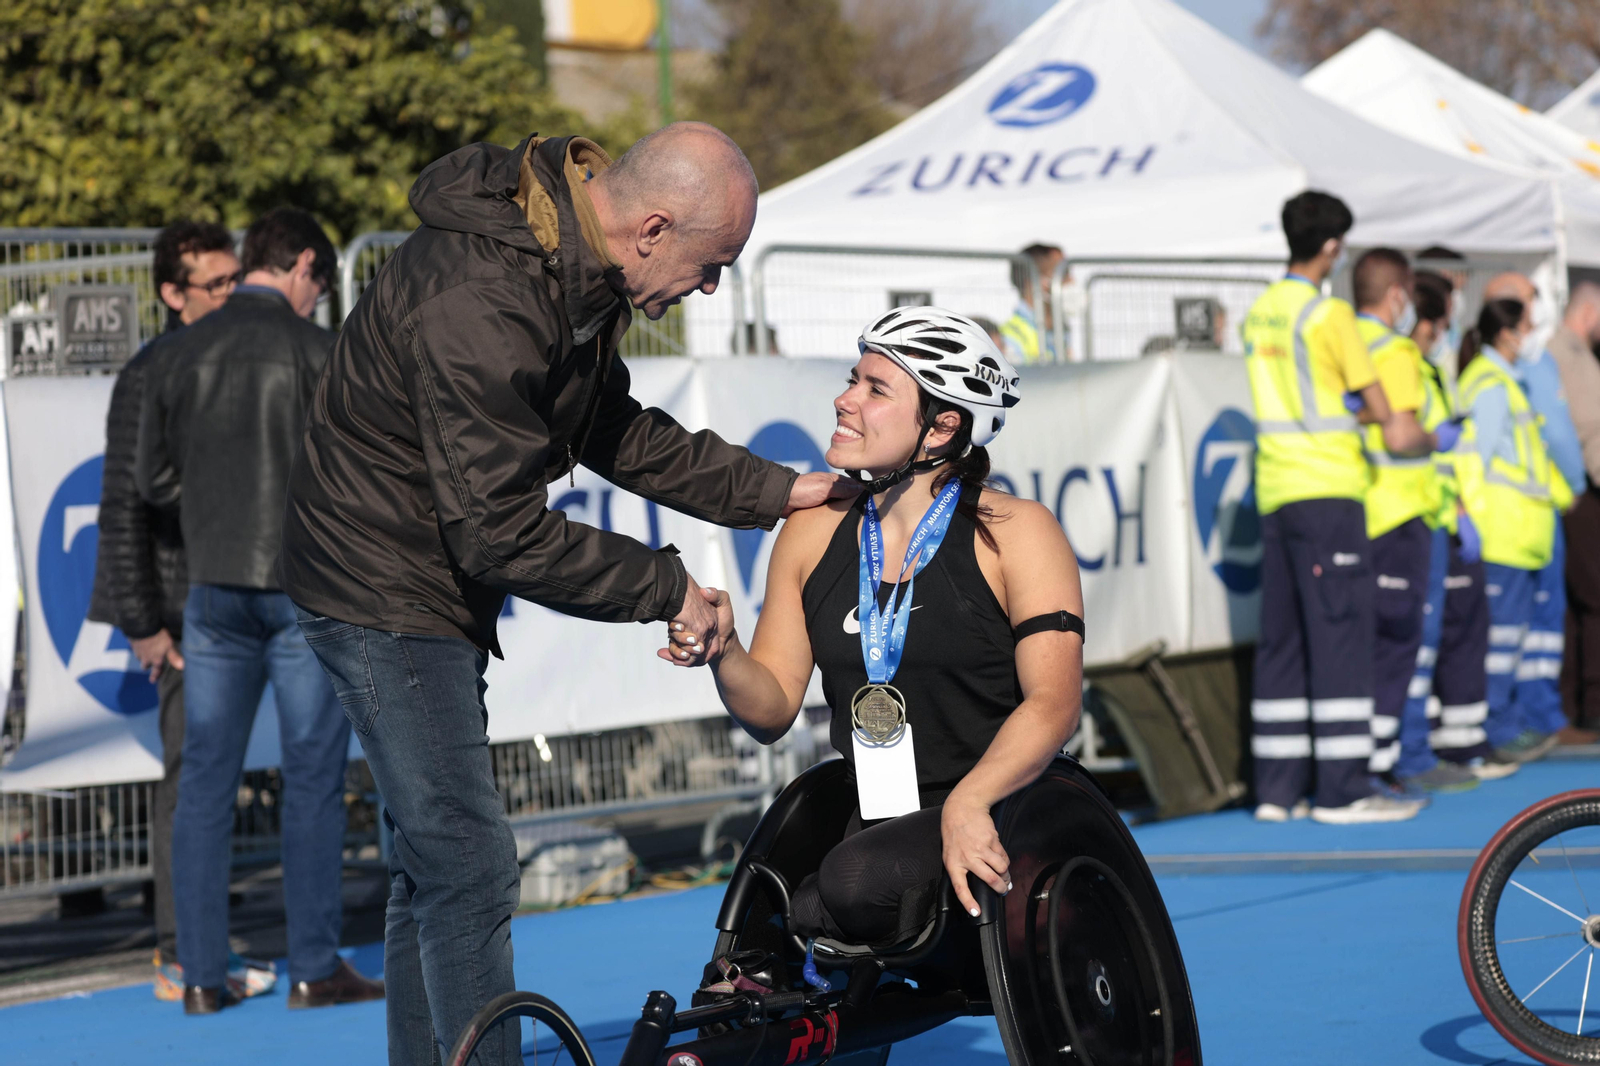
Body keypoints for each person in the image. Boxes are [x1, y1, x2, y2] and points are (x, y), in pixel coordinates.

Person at [279, 123, 849, 1066]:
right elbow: (497, 530)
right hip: (381, 586)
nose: (711, 289)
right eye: (712, 265)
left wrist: (775, 491)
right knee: (466, 863)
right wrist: (666, 586)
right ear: (652, 230)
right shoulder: (484, 294)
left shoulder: (569, 263)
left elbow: (612, 429)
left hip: (416, 580)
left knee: (435, 863)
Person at [688, 306, 1082, 942]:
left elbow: (1055, 704)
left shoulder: (1018, 531)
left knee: (845, 886)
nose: (844, 400)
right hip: (878, 818)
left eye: (876, 389)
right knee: (769, 901)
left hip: (1004, 803)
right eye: (853, 380)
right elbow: (772, 711)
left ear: (942, 427)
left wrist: (970, 801)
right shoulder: (811, 532)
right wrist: (724, 650)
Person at [137, 209, 384, 1015]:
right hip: (303, 587)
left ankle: (202, 977)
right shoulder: (320, 350)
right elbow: (358, 475)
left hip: (212, 588)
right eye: (321, 284)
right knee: (312, 777)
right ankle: (312, 966)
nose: (319, 298)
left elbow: (152, 481)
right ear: (305, 265)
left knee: (205, 781)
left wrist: (210, 505)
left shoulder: (176, 353)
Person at [86, 220, 276, 1003]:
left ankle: (204, 947)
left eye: (236, 279)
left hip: (244, 594)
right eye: (215, 283)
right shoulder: (151, 372)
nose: (232, 294)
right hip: (183, 609)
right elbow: (122, 504)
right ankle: (180, 954)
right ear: (172, 293)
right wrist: (143, 621)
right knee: (193, 780)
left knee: (216, 779)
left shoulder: (239, 357)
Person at [1242, 190, 1421, 825]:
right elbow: (1379, 409)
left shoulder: (1259, 312)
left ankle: (1277, 790)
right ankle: (1343, 790)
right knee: (1341, 636)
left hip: (1276, 488)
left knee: (1283, 639)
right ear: (1332, 246)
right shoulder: (1329, 315)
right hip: (1329, 488)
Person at [1349, 250, 1476, 794]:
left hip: (1367, 508)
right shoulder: (1395, 352)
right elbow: (1404, 436)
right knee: (1404, 644)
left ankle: (1389, 758)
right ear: (1400, 299)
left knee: (1379, 647)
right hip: (1399, 512)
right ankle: (1397, 759)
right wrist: (1436, 439)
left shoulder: (1345, 340)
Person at [1454, 298, 1574, 765]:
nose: (1532, 334)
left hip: (1519, 536)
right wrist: (1471, 520)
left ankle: (1506, 723)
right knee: (1500, 642)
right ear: (1506, 333)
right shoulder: (1491, 385)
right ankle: (1496, 727)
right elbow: (1472, 460)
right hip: (1501, 534)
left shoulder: (1507, 381)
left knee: (1512, 639)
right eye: (1527, 325)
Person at [1402, 272, 1512, 780]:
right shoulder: (1407, 369)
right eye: (1445, 317)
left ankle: (1457, 743)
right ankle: (1420, 750)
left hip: (1445, 515)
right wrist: (1459, 513)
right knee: (1422, 642)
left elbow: (1453, 453)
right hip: (1423, 517)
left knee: (1450, 636)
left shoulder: (1432, 372)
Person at [1480, 274, 1582, 750]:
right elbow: (1553, 437)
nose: (1533, 314)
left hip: (1532, 521)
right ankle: (1523, 719)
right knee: (1514, 629)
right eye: (1526, 302)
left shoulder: (1522, 369)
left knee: (1534, 627)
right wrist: (1574, 484)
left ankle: (1533, 716)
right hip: (1511, 526)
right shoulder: (1505, 375)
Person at [1549, 283, 1600, 734]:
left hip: (1578, 488)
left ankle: (1575, 703)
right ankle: (1588, 704)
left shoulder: (1575, 353)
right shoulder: (1568, 354)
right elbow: (1586, 429)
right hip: (1581, 491)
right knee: (1592, 597)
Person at [1000, 243, 1065, 365]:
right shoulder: (1008, 341)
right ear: (1037, 282)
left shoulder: (1060, 330)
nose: (1071, 281)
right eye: (1063, 273)